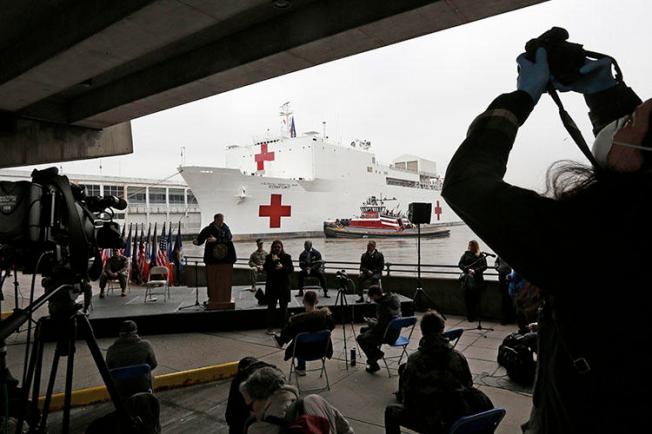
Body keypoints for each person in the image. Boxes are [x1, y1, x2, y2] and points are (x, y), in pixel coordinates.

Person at [441, 45, 652, 433]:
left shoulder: (591, 240)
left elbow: (466, 183)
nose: (619, 123)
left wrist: (520, 99)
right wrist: (604, 92)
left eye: (629, 121)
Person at [385, 311, 493, 434]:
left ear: (423, 331)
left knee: (391, 412)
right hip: (456, 415)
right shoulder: (457, 356)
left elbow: (408, 395)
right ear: (442, 329)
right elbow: (468, 384)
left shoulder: (415, 359)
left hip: (433, 421)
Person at [239, 367, 354, 434]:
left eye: (250, 407)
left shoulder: (259, 429)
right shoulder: (314, 400)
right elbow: (346, 430)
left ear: (262, 398)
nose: (251, 413)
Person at [273, 291, 335, 376]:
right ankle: (301, 366)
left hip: (303, 352)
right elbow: (331, 328)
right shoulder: (326, 318)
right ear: (317, 301)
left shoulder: (298, 321)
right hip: (321, 350)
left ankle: (301, 367)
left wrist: (282, 339)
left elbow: (288, 332)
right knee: (307, 337)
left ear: (303, 301)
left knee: (299, 338)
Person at [356, 285, 401, 373]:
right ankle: (373, 361)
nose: (372, 300)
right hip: (395, 332)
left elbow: (380, 327)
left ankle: (376, 355)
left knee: (360, 338)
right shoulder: (393, 300)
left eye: (372, 297)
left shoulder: (383, 306)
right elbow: (387, 320)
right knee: (363, 330)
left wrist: (370, 322)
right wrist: (375, 321)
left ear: (376, 295)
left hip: (386, 335)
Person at [263, 240, 293, 335]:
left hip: (283, 286)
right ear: (272, 248)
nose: (277, 249)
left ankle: (284, 327)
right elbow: (266, 268)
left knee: (284, 308)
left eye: (279, 247)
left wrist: (282, 267)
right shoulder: (268, 257)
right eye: (275, 247)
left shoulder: (287, 257)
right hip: (272, 286)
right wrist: (273, 262)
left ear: (282, 248)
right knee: (271, 308)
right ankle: (270, 328)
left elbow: (291, 269)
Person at [457, 240, 487, 322]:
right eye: (469, 245)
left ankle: (476, 315)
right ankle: (470, 316)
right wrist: (467, 269)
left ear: (475, 246)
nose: (470, 246)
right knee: (468, 299)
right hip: (467, 279)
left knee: (476, 299)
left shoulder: (480, 255)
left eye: (472, 245)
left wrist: (475, 271)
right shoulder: (466, 254)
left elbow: (484, 266)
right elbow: (460, 264)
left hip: (477, 280)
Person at [494, 256, 514, 324]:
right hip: (502, 278)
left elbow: (496, 263)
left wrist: (498, 268)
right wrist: (498, 268)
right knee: (504, 299)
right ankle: (505, 319)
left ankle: (507, 319)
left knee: (508, 299)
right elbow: (496, 263)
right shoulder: (499, 256)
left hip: (509, 278)